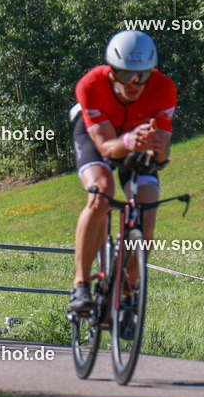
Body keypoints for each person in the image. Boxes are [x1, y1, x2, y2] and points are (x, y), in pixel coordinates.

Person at [69, 30, 176, 313]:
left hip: (138, 138)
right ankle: (80, 284)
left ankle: (129, 288)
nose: (134, 82)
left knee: (148, 207)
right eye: (126, 73)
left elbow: (164, 151)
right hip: (99, 137)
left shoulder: (164, 87)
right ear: (112, 71)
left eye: (142, 74)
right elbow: (105, 147)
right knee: (101, 192)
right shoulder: (90, 85)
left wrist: (157, 147)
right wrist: (129, 141)